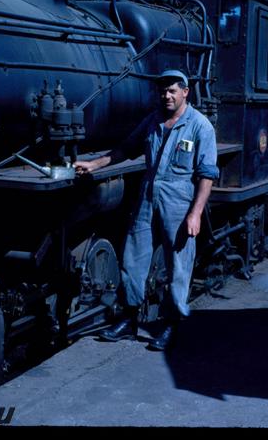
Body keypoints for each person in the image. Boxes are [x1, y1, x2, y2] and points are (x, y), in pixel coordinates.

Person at [73, 69, 218, 351]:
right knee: (133, 259)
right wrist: (94, 165)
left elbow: (207, 175)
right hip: (147, 198)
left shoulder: (201, 127)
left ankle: (170, 325)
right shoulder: (152, 121)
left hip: (179, 203)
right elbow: (125, 149)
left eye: (172, 91)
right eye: (162, 91)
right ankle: (129, 320)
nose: (166, 96)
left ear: (185, 92)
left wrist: (195, 213)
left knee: (178, 266)